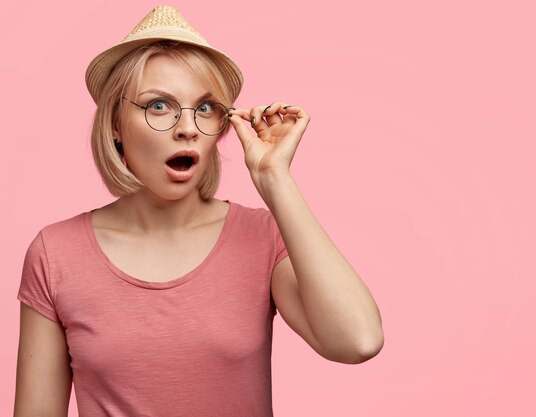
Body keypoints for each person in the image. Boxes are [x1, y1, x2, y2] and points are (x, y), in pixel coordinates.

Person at [13, 5, 383, 416]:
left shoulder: (262, 237)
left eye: (205, 108)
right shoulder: (56, 253)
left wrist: (275, 178)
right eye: (159, 106)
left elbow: (358, 341)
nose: (187, 127)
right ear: (115, 123)